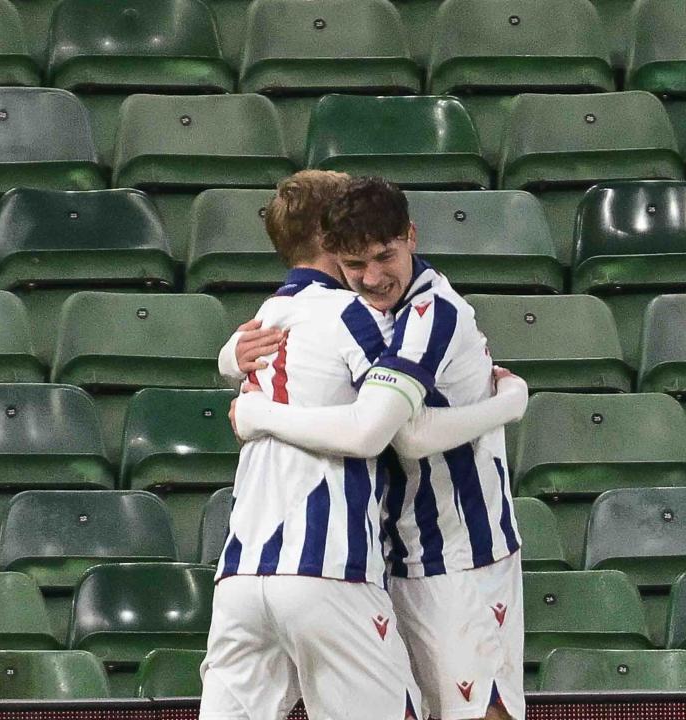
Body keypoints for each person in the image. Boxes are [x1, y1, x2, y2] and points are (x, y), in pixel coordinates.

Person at [202, 171, 527, 720]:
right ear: (331, 247)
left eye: (383, 256)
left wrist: (256, 407)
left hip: (458, 546)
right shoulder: (349, 316)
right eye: (356, 262)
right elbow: (383, 429)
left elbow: (396, 433)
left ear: (410, 237)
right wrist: (230, 358)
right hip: (373, 554)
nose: (372, 277)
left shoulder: (425, 312)